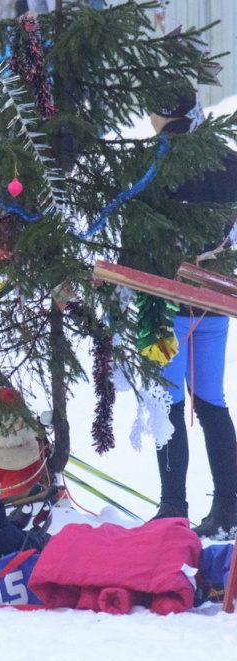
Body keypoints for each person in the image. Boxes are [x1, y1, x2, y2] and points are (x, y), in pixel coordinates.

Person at [145, 80, 237, 539]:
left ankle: (172, 505)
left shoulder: (152, 161)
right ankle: (228, 506)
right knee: (211, 401)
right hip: (213, 302)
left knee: (167, 401)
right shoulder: (225, 157)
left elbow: (134, 233)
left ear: (158, 113)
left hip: (161, 304)